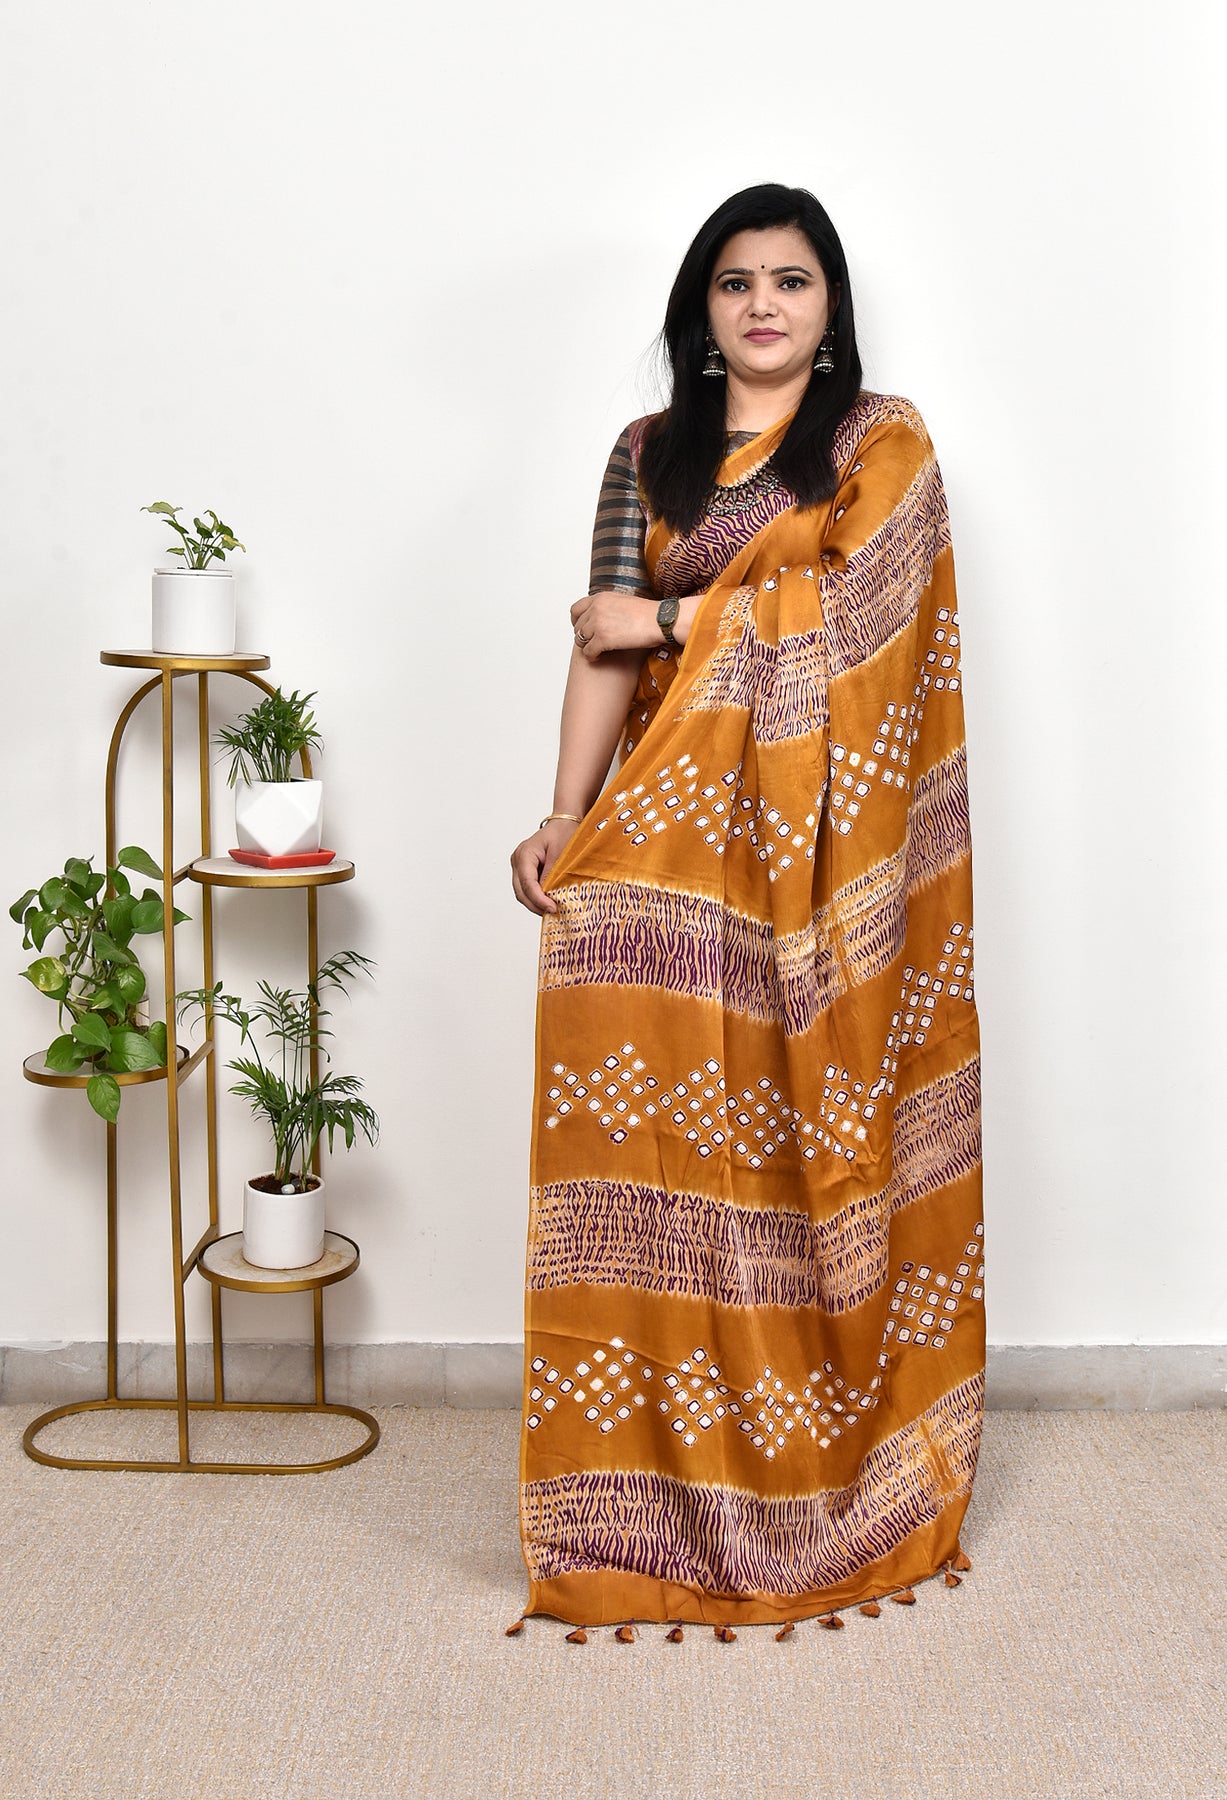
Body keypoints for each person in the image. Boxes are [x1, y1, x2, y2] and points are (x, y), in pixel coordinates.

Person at [508, 183, 984, 1640]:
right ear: (701, 310)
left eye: (791, 279)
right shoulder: (647, 455)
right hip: (663, 830)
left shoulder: (877, 444)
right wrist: (567, 814)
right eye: (735, 281)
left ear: (829, 306)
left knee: (792, 1128)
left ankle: (819, 1460)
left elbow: (863, 622)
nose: (763, 303)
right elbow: (601, 647)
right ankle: (639, 1487)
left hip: (823, 863)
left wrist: (671, 619)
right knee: (642, 1137)